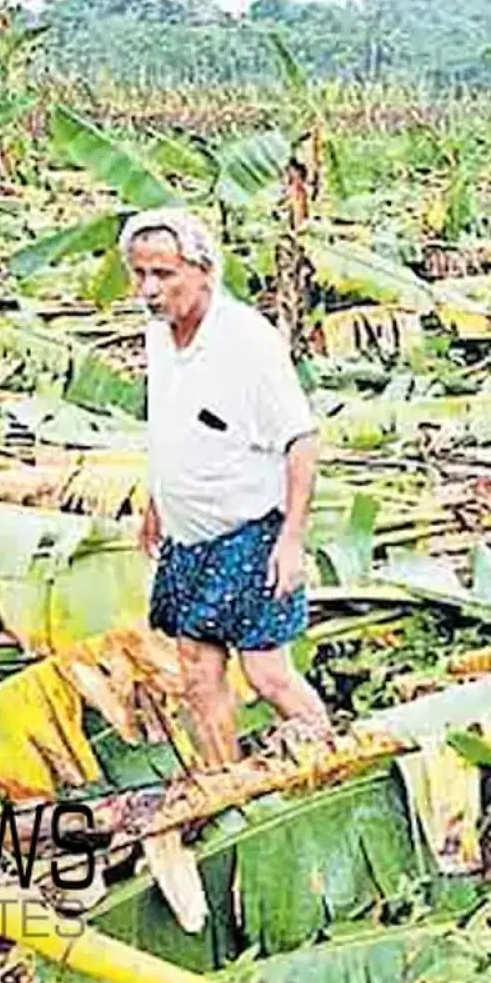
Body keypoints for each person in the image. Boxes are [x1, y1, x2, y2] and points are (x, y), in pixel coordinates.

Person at [124, 208, 333, 765]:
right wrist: (158, 498)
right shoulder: (159, 334)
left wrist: (292, 540)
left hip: (249, 532)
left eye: (164, 274)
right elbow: (174, 420)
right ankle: (225, 783)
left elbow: (301, 440)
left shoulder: (246, 343)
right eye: (140, 273)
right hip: (189, 538)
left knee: (265, 671)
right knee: (195, 664)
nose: (149, 289)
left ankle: (331, 754)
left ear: (203, 270)